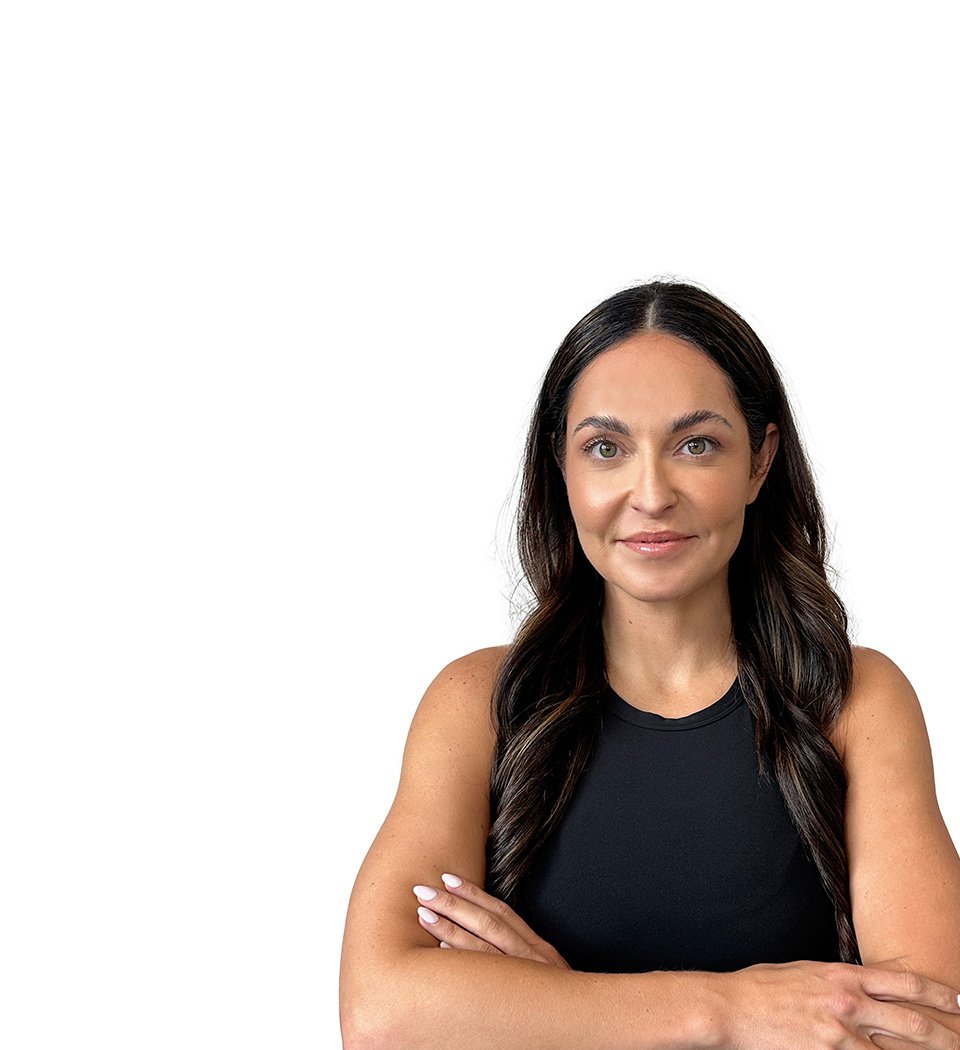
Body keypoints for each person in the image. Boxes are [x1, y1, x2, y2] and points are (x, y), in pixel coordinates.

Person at [339, 281, 960, 1049]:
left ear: (760, 461)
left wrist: (550, 1009)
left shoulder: (855, 701)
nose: (653, 494)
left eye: (697, 444)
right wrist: (732, 1013)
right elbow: (381, 1016)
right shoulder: (479, 703)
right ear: (562, 469)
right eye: (606, 449)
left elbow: (929, 1030)